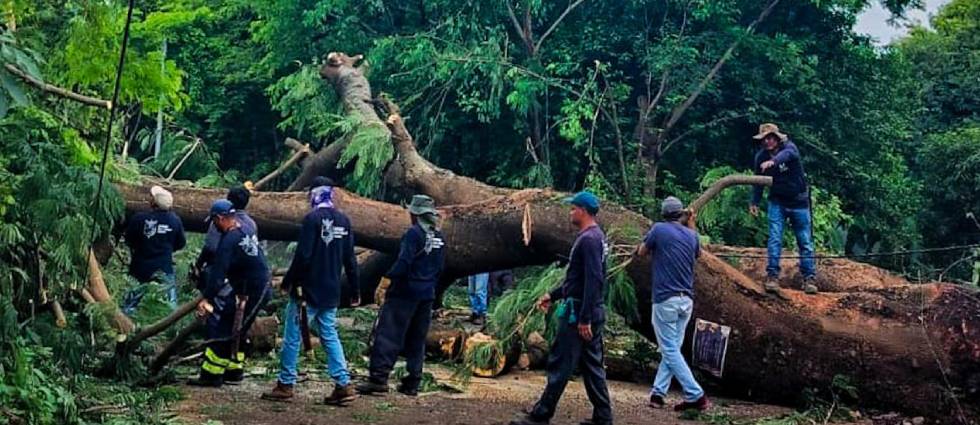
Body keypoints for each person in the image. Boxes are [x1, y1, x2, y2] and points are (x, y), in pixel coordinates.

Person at [511, 191, 613, 425]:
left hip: (579, 314)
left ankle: (541, 415)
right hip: (590, 311)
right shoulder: (596, 237)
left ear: (583, 211)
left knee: (560, 363)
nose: (570, 212)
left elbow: (594, 281)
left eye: (573, 208)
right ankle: (603, 417)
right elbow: (575, 278)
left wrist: (584, 319)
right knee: (592, 365)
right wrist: (553, 294)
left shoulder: (588, 240)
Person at [262, 181, 361, 405]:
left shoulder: (312, 220)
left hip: (307, 291)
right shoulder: (344, 221)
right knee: (329, 334)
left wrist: (288, 281)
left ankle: (285, 384)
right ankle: (343, 384)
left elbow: (303, 256)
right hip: (332, 290)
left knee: (292, 337)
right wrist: (355, 289)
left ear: (313, 196)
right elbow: (350, 260)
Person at [357, 195, 445, 397]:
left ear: (415, 214)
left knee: (389, 334)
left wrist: (386, 280)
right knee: (417, 338)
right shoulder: (439, 236)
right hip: (426, 294)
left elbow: (404, 261)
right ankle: (412, 382)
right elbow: (440, 266)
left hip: (405, 292)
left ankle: (378, 379)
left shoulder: (413, 234)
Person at [637, 196, 710, 412]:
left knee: (668, 348)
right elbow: (699, 252)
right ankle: (658, 393)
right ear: (680, 214)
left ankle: (696, 394)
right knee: (673, 348)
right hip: (686, 300)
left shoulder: (659, 230)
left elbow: (641, 252)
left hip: (665, 299)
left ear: (663, 214)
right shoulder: (691, 235)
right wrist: (691, 224)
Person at [189, 199, 272, 387]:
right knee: (235, 325)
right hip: (247, 289)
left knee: (225, 330)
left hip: (254, 291)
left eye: (213, 221)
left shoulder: (229, 240)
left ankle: (211, 374)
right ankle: (234, 371)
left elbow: (218, 275)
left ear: (220, 218)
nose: (213, 226)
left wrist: (206, 299)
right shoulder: (245, 230)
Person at [749, 123, 818, 295]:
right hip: (777, 201)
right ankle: (772, 276)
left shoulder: (789, 148)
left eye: (771, 138)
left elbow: (788, 155)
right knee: (774, 239)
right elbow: (758, 181)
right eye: (765, 139)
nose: (768, 142)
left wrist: (773, 161)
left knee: (805, 241)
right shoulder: (760, 157)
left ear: (777, 138)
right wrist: (754, 202)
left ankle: (809, 278)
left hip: (799, 201)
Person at [122, 185, 186, 315]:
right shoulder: (175, 220)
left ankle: (123, 325)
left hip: (140, 267)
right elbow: (181, 243)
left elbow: (129, 239)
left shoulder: (139, 218)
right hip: (164, 267)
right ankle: (171, 328)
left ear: (153, 202)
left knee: (130, 303)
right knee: (170, 304)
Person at [193, 186, 257, 279]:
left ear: (228, 200)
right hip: (243, 273)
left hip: (220, 270)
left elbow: (210, 248)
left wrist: (198, 265)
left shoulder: (221, 221)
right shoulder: (252, 224)